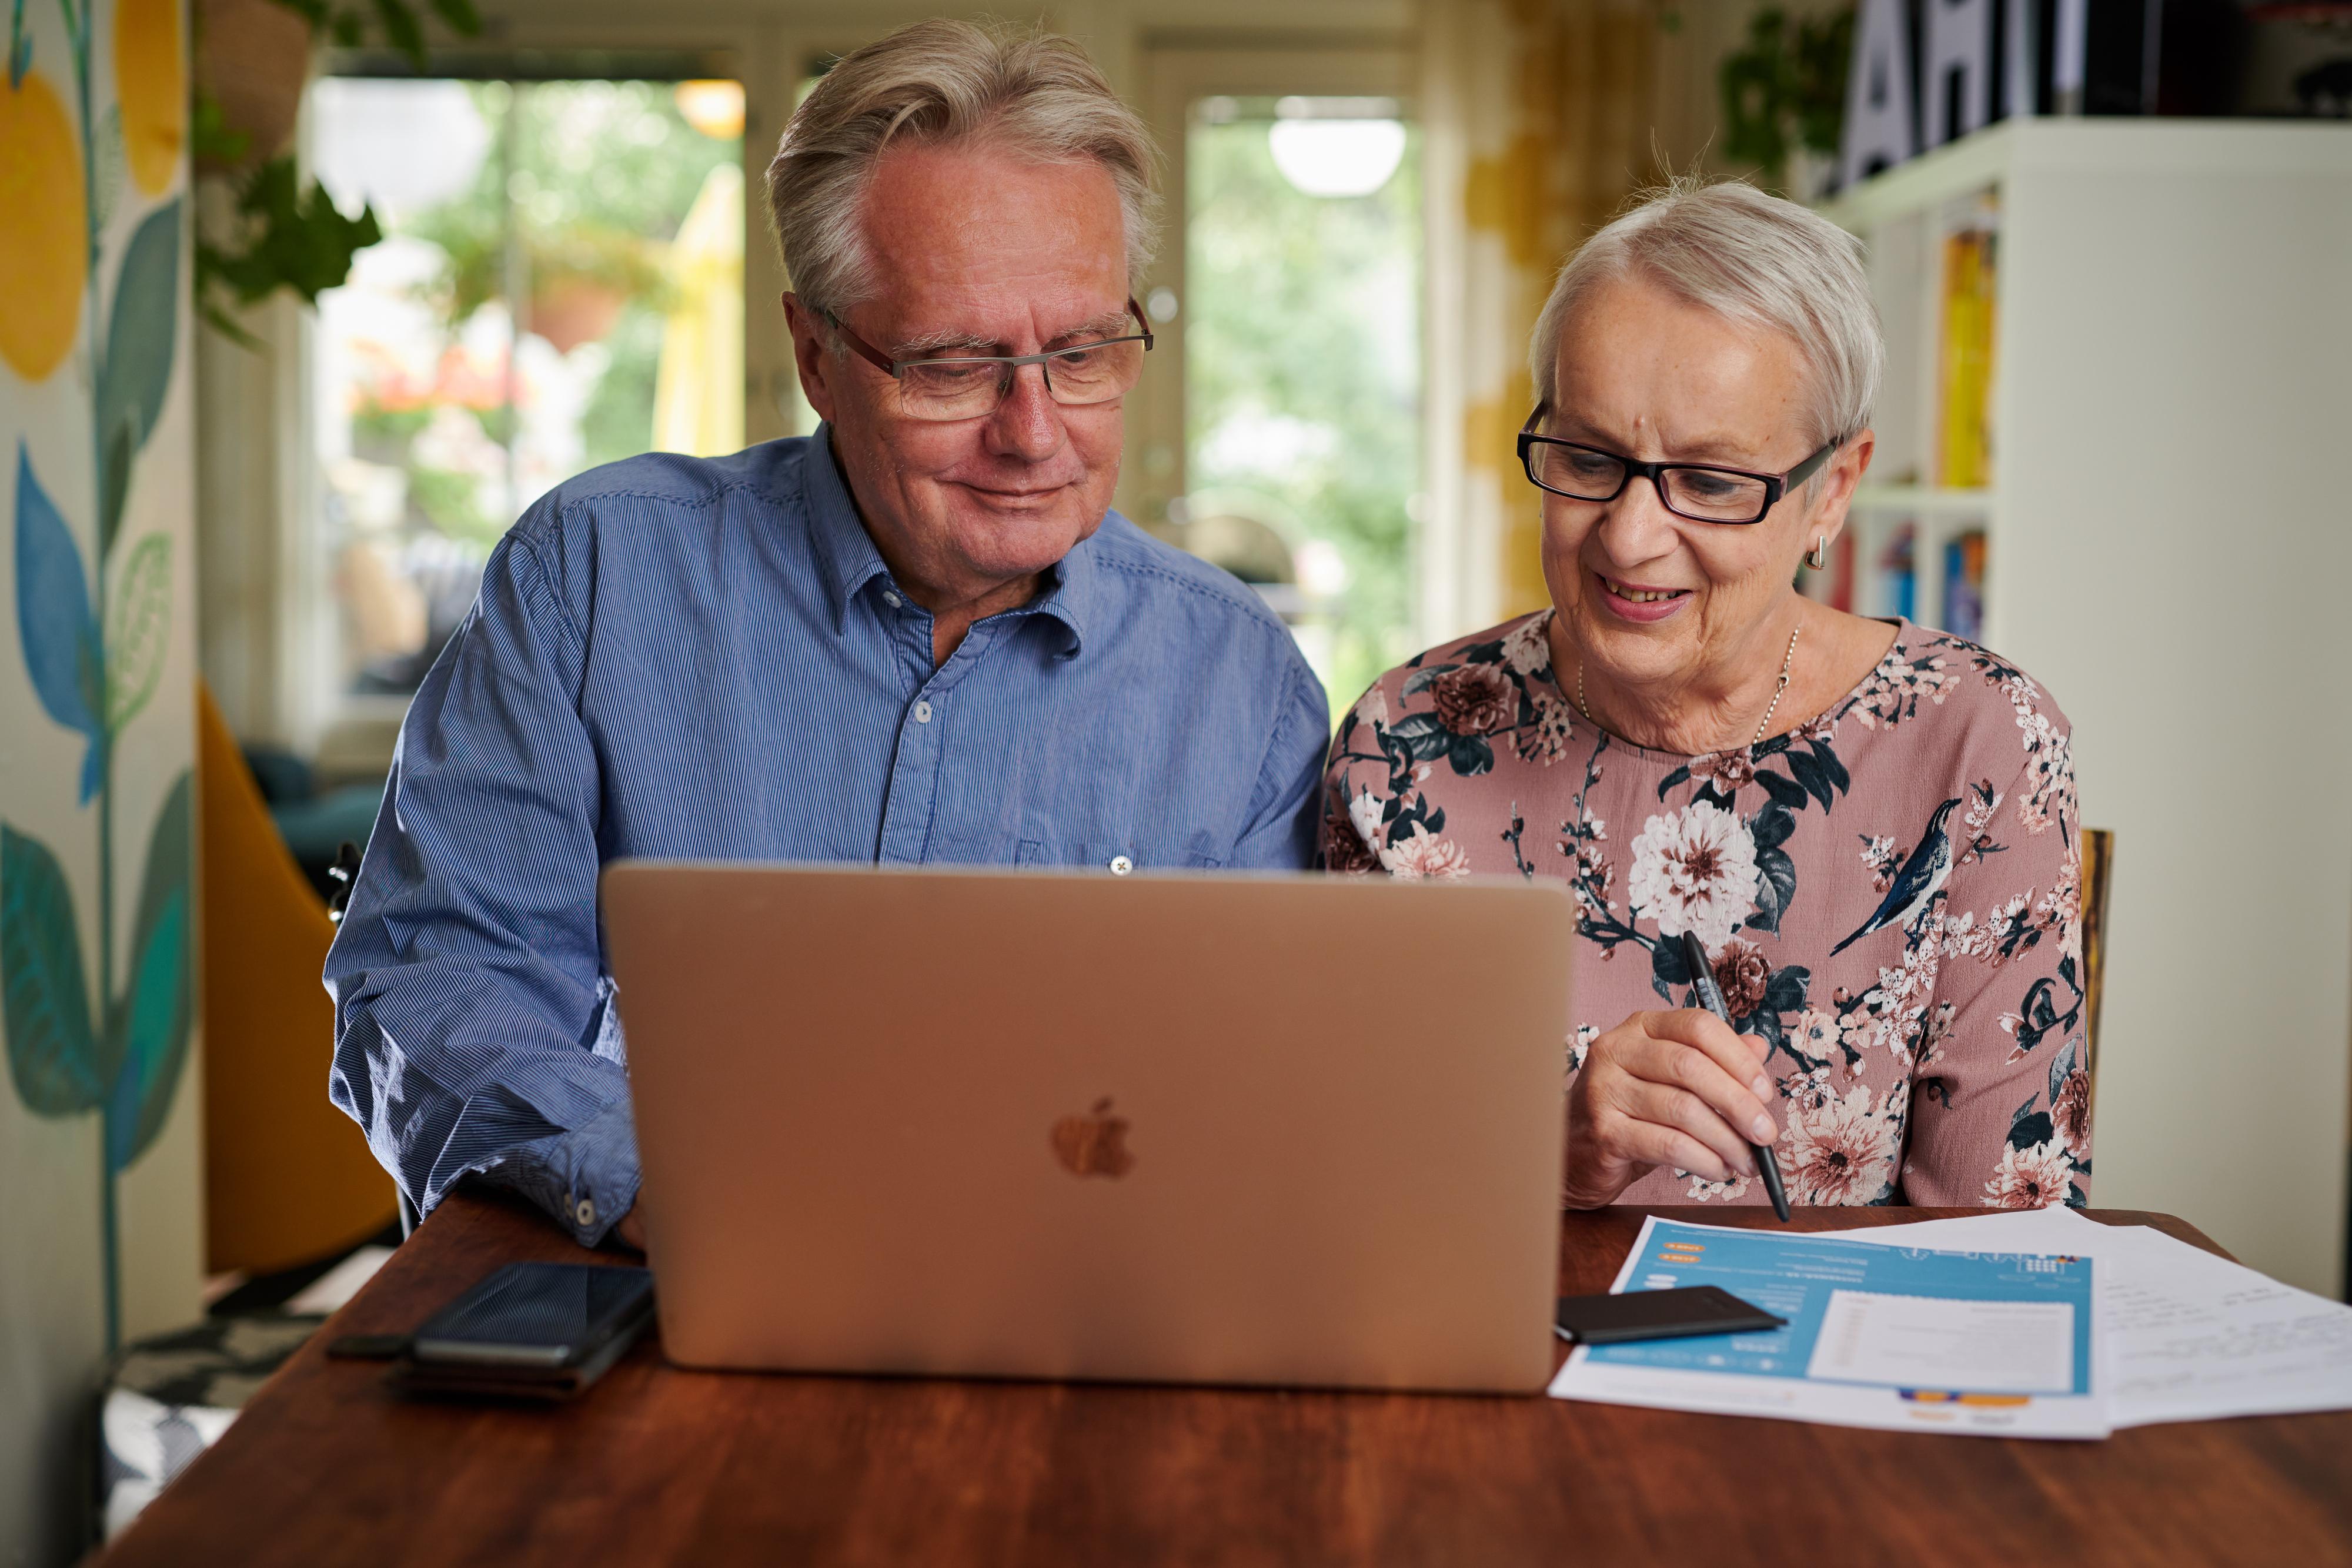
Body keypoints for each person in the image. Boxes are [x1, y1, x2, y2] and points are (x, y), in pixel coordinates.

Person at [326, 20, 1328, 1249]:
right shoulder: (591, 578)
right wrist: (679, 1182)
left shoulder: (1242, 684)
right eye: (956, 365)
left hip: (1077, 1306)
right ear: (814, 354)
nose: (1033, 431)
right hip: (660, 1278)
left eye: (1079, 352)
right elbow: (432, 980)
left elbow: (1258, 1100)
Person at [1323, 179, 2087, 1211]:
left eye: (1714, 481)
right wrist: (1553, 1160)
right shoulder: (1405, 744)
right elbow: (1342, 1195)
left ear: (1833, 492)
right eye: (1589, 457)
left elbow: (2007, 1245)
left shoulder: (1979, 741)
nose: (1631, 537)